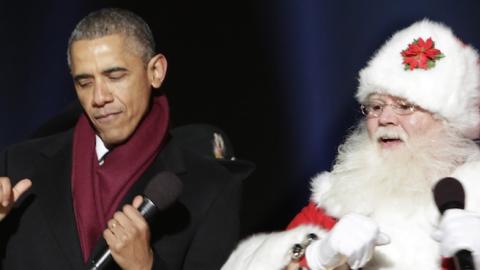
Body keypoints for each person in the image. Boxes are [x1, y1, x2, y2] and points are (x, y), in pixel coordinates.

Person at [222, 19, 480, 270]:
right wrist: (315, 258)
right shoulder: (339, 199)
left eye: (405, 106)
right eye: (376, 106)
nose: (385, 119)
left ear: (450, 122)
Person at [0, 8, 246, 270]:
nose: (99, 97)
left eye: (115, 77)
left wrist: (145, 266)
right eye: (84, 83)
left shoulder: (211, 187)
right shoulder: (17, 166)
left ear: (156, 72)